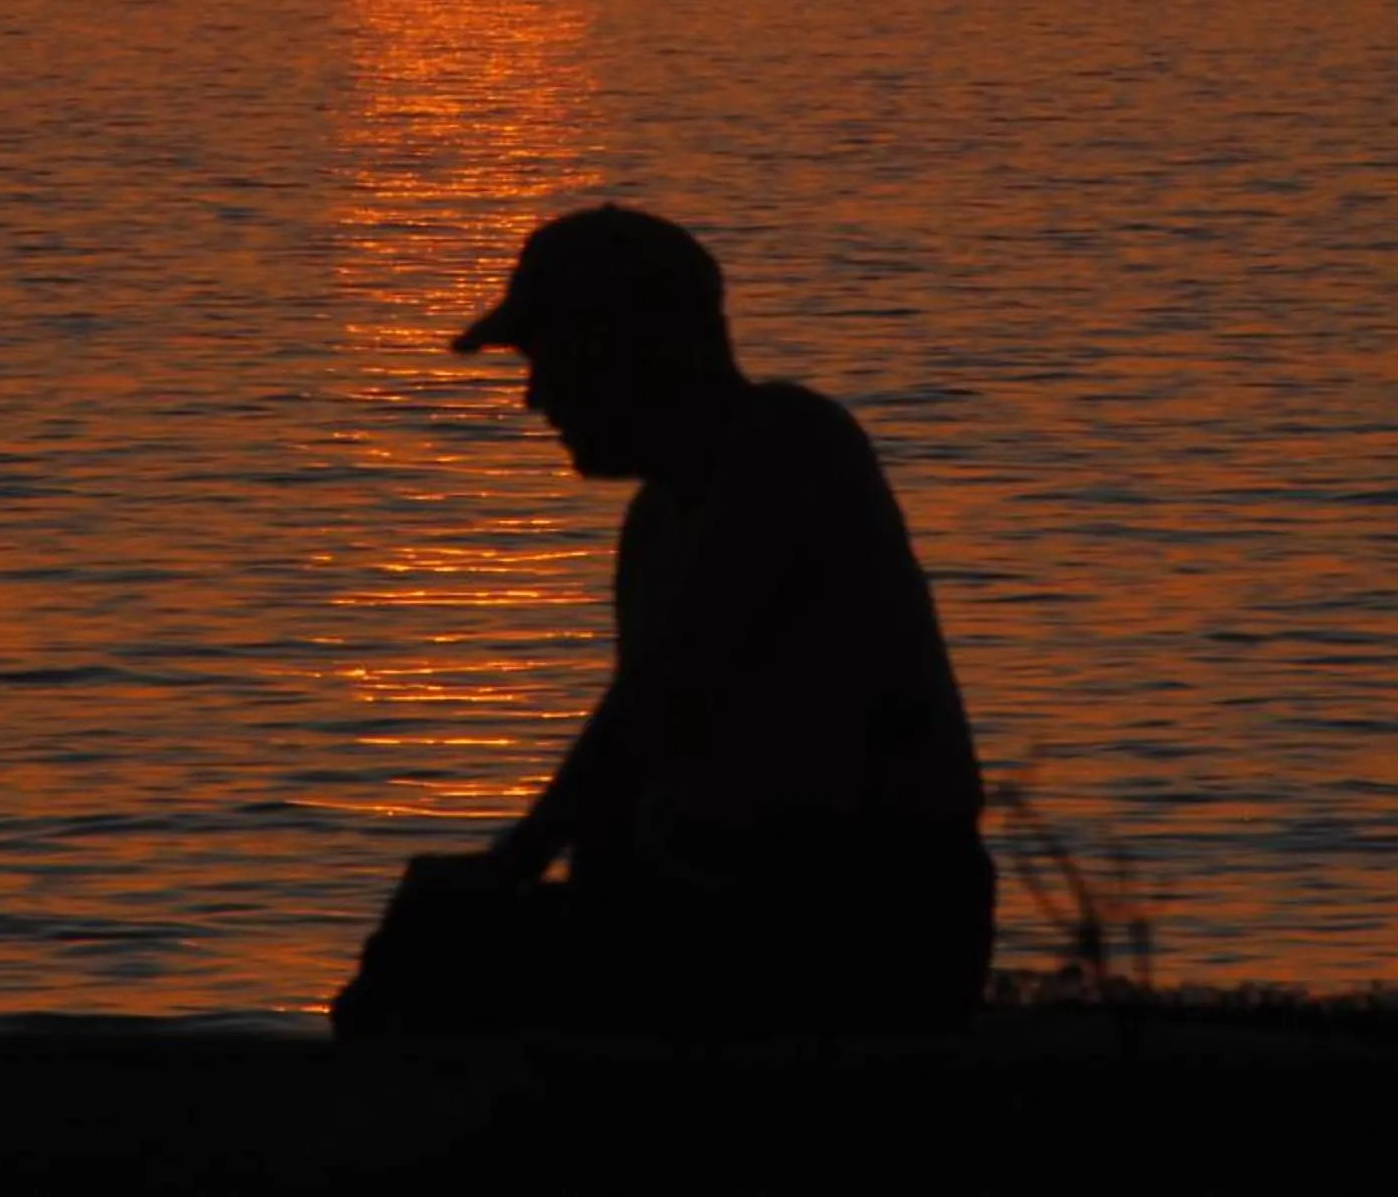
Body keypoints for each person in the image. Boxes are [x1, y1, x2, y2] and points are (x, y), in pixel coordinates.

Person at [336, 206, 992, 1036]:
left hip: (871, 919)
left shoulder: (789, 443)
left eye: (547, 358)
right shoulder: (654, 524)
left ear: (627, 347)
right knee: (443, 937)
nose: (534, 397)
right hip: (727, 902)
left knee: (459, 951)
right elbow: (646, 760)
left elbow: (664, 693)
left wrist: (519, 861)